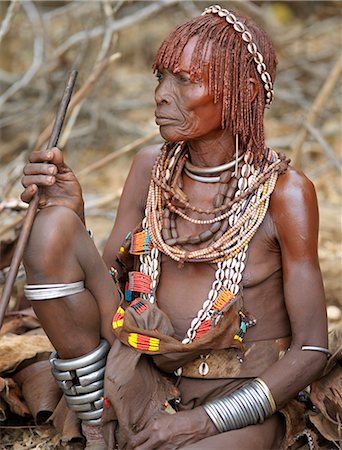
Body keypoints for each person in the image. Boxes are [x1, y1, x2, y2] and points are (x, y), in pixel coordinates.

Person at [20, 5, 328, 450]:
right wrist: (70, 212)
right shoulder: (150, 168)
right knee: (52, 230)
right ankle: (95, 425)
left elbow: (312, 349)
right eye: (160, 77)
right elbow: (108, 286)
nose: (162, 94)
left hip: (233, 400)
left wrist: (200, 423)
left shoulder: (286, 194)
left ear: (240, 91)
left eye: (185, 79)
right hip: (137, 373)